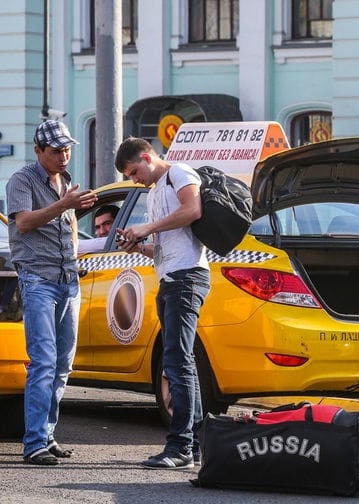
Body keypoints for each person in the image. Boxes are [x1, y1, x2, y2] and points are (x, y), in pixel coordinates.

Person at [113, 137, 210, 470]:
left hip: (188, 278)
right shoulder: (155, 192)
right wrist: (138, 246)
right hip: (170, 278)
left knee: (177, 361)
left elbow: (193, 210)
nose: (134, 179)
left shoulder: (179, 173)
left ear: (147, 157)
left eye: (134, 171)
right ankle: (194, 444)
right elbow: (166, 246)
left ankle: (181, 446)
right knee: (180, 362)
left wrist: (147, 227)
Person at [6, 120, 97, 466]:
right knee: (43, 362)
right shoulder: (22, 180)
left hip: (67, 279)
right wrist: (64, 205)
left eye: (67, 149)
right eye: (57, 151)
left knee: (62, 364)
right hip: (38, 279)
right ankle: (33, 444)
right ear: (38, 151)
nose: (64, 156)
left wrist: (74, 256)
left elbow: (70, 226)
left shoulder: (66, 184)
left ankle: (47, 434)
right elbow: (24, 222)